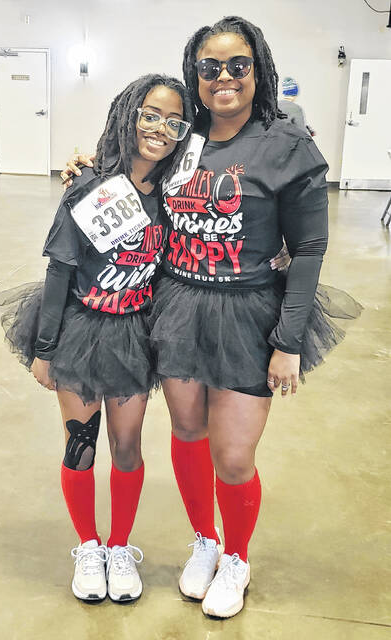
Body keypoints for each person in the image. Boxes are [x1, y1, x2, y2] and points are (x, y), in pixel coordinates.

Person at [60, 17, 361, 619]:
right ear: (194, 72)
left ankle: (237, 556)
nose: (223, 77)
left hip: (249, 312)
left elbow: (307, 249)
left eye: (238, 65)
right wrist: (90, 168)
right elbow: (137, 161)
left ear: (258, 69)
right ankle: (205, 540)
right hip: (175, 304)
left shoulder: (286, 144)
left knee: (233, 454)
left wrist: (290, 339)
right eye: (209, 67)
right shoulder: (185, 135)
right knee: (188, 434)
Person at [0, 74, 194, 604]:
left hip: (134, 333)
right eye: (150, 114)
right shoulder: (89, 184)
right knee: (81, 445)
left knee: (127, 446)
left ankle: (120, 547)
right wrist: (45, 347)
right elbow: (60, 268)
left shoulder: (172, 195)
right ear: (128, 114)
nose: (160, 129)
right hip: (81, 328)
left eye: (174, 121)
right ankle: (88, 546)